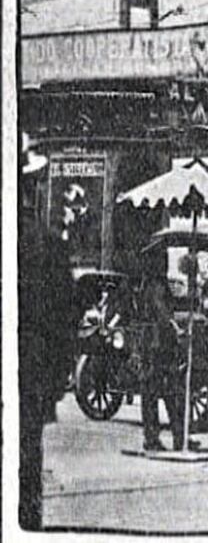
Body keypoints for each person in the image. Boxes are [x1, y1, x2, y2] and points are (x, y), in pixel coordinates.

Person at [18, 141, 76, 530]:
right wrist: (56, 380)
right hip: (30, 370)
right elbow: (65, 318)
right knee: (26, 458)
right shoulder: (47, 242)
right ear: (32, 186)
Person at [137, 252, 189, 452]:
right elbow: (162, 312)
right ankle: (177, 436)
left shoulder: (146, 284)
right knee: (171, 391)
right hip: (160, 344)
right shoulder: (158, 285)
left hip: (149, 342)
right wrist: (176, 329)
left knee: (151, 392)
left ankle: (154, 437)